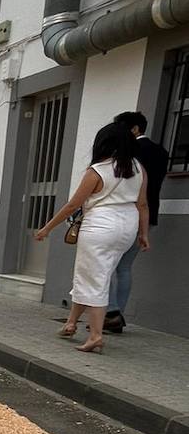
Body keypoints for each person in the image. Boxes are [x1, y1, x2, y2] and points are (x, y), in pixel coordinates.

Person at [35, 122, 147, 354]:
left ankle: (95, 335)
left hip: (100, 227)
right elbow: (142, 204)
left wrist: (47, 228)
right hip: (127, 227)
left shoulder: (97, 171)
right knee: (94, 275)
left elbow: (74, 204)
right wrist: (143, 233)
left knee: (95, 279)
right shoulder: (138, 169)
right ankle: (71, 322)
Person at [104, 111, 168, 333]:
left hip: (126, 214)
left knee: (107, 264)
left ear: (134, 129)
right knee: (125, 267)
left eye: (121, 128)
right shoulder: (161, 151)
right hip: (149, 215)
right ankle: (117, 313)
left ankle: (110, 312)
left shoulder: (130, 152)